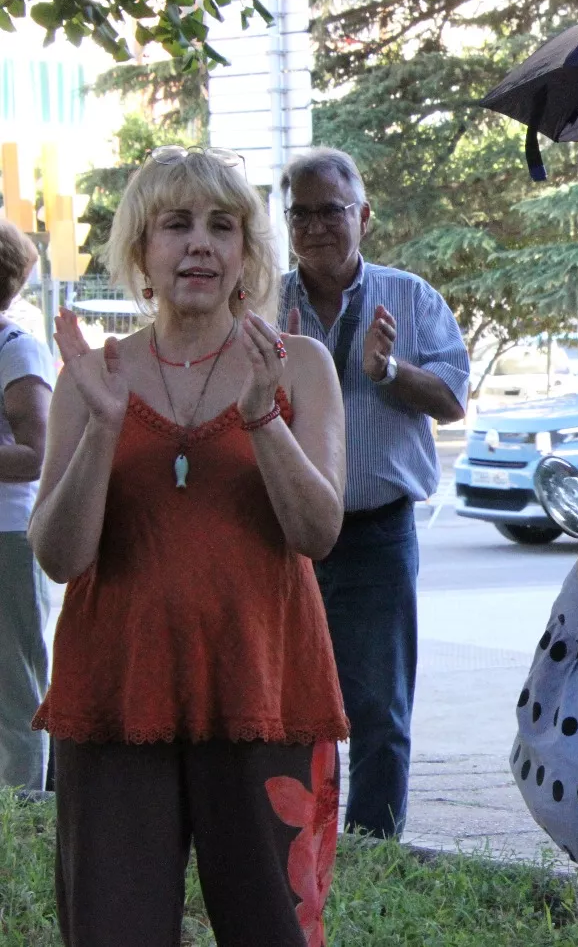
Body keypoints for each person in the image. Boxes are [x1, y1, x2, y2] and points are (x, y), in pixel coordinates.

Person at [29, 146, 348, 943]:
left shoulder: (296, 365)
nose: (200, 244)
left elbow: (319, 531)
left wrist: (259, 414)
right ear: (141, 250)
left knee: (271, 930)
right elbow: (59, 556)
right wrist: (105, 427)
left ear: (247, 252)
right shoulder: (90, 378)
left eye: (222, 226)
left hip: (265, 689)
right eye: (176, 225)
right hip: (116, 694)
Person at [278, 146, 470, 837]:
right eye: (300, 213)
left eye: (330, 211)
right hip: (287, 537)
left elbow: (451, 400)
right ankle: (298, 845)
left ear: (364, 215)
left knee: (380, 711)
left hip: (376, 536)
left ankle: (372, 854)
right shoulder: (266, 306)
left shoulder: (410, 297)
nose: (315, 227)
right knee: (289, 705)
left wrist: (389, 370)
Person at [0, 221, 52, 792]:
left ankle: (24, 820)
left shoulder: (17, 348)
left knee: (15, 691)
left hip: (7, 538)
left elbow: (36, 454)